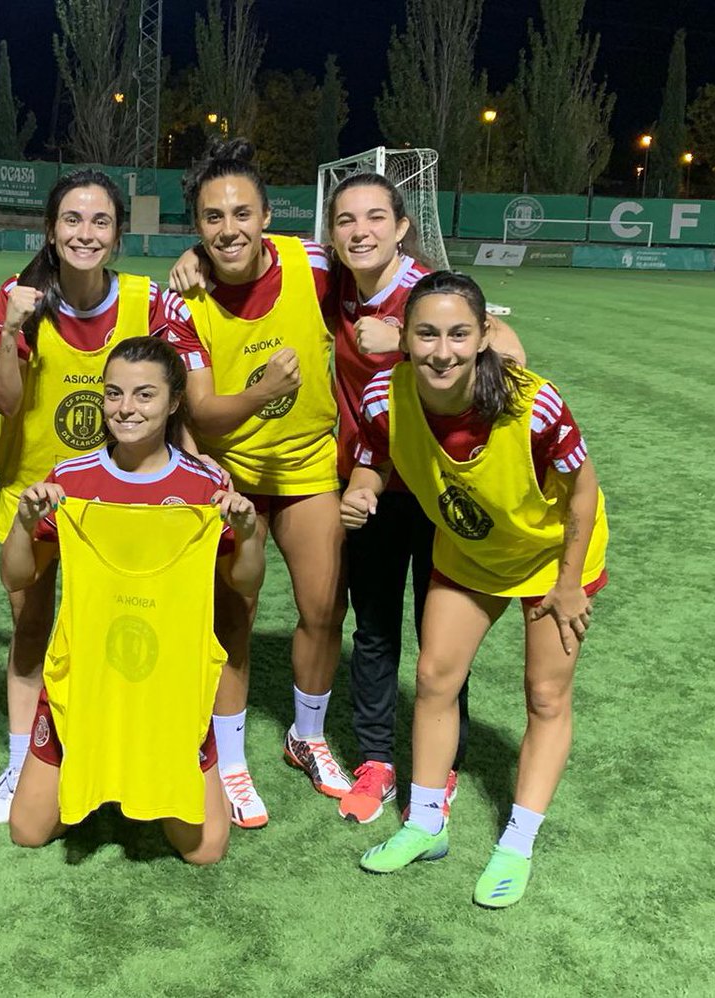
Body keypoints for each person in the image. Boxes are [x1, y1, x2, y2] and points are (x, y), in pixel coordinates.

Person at [342, 271, 608, 908]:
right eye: (427, 334)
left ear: (485, 335)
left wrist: (570, 584)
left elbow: (583, 490)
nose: (442, 352)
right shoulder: (383, 396)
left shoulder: (534, 404)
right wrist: (362, 489)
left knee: (545, 695)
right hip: (469, 550)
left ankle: (517, 843)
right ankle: (424, 824)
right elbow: (375, 458)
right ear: (404, 337)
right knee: (435, 677)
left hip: (551, 556)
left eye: (459, 334)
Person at [1, 336, 265, 864]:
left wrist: (248, 533)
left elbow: (245, 583)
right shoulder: (71, 478)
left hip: (171, 686)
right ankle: (98, 771)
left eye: (145, 395)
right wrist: (24, 524)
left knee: (205, 850)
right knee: (27, 830)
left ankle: (157, 768)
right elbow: (16, 575)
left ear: (174, 402)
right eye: (114, 393)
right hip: (88, 677)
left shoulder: (205, 483)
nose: (126, 408)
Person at [321, 174, 526, 825]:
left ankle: (444, 765)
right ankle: (376, 760)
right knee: (373, 628)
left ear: (402, 227)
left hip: (442, 490)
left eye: (375, 217)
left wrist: (405, 339)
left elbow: (511, 353)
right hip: (372, 484)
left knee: (439, 639)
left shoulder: (426, 288)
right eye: (346, 220)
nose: (361, 231)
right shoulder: (334, 285)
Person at [0, 169, 177, 823]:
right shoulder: (21, 298)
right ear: (50, 229)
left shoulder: (146, 300)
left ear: (118, 235)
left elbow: (171, 394)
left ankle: (118, 749)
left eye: (100, 221)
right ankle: (21, 763)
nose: (85, 233)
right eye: (72, 219)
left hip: (121, 499)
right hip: (34, 495)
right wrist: (11, 329)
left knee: (123, 631)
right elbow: (7, 403)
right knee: (32, 631)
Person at [165, 138, 348, 828]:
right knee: (232, 618)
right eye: (212, 218)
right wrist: (265, 390)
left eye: (242, 213)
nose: (229, 229)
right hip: (230, 477)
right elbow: (202, 412)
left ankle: (308, 735)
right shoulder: (185, 299)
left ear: (267, 215)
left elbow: (390, 278)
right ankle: (232, 760)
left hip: (307, 467)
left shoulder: (313, 265)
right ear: (197, 227)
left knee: (323, 609)